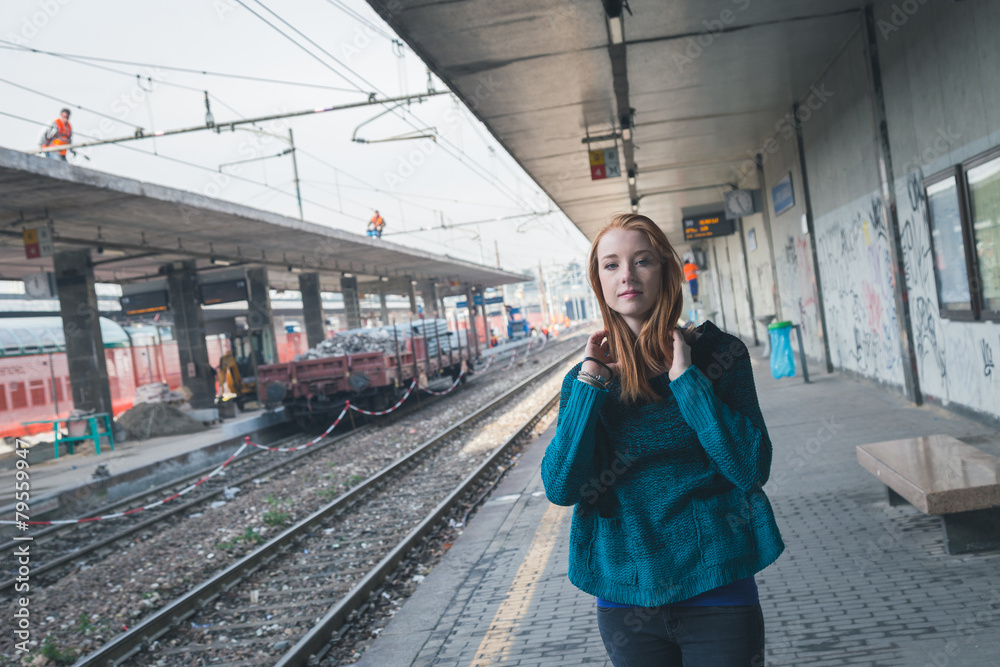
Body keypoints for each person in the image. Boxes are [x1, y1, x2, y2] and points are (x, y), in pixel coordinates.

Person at [541, 213, 784, 666]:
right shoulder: (586, 381)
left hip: (718, 587)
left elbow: (750, 469)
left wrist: (687, 382)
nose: (627, 276)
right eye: (611, 265)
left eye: (642, 261)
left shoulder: (720, 356)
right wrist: (590, 387)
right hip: (627, 596)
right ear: (599, 282)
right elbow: (561, 488)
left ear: (666, 271)